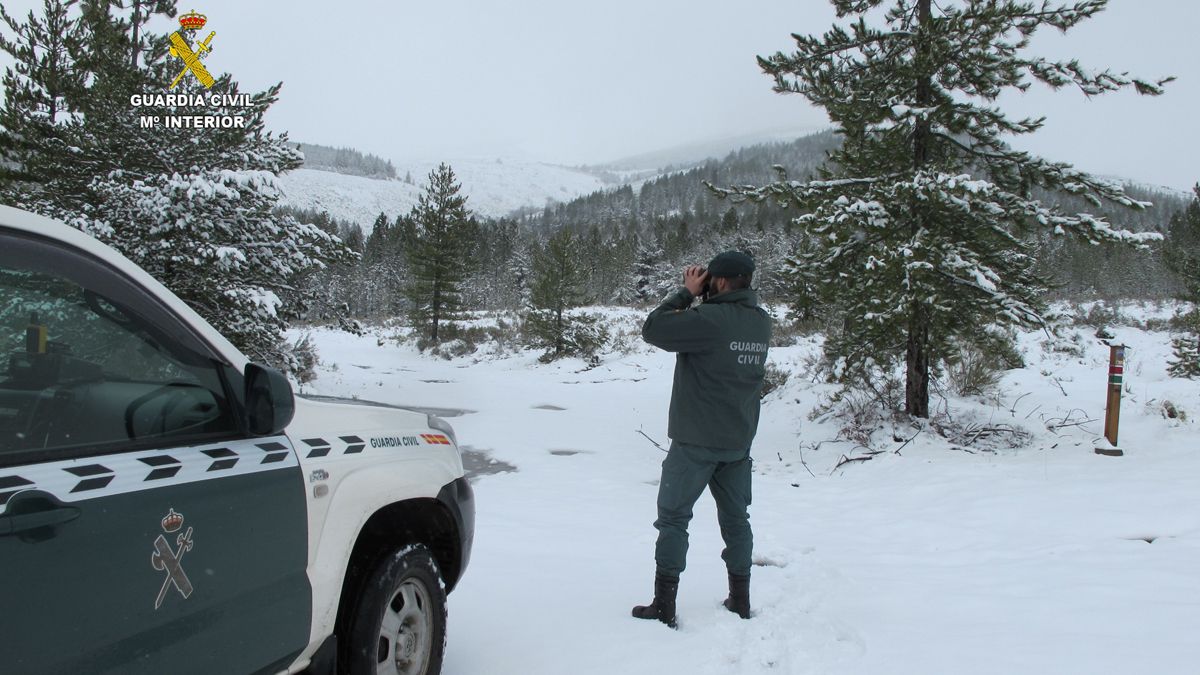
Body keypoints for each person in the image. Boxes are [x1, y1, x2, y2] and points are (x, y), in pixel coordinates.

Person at [632, 250, 772, 628]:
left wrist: (686, 293)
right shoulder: (761, 323)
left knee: (674, 520)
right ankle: (740, 600)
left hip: (695, 441)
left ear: (721, 282)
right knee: (736, 520)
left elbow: (654, 329)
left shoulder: (709, 318)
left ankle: (664, 604)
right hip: (738, 441)